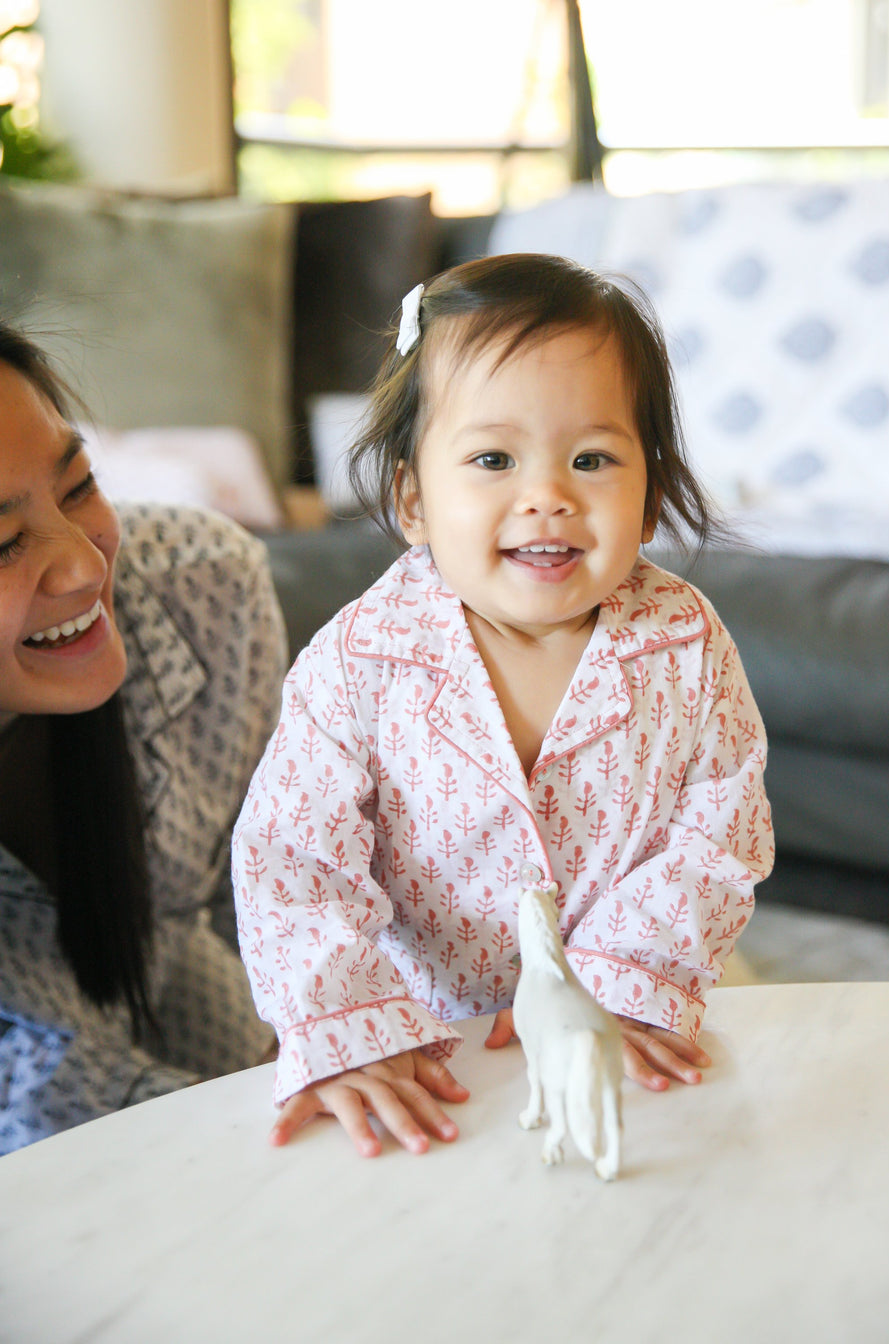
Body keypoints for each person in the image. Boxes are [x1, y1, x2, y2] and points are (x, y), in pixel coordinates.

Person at [233, 253, 774, 1158]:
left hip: (636, 997)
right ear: (412, 496)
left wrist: (626, 975)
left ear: (649, 495)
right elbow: (294, 857)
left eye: (592, 459)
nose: (548, 497)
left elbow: (721, 824)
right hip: (435, 1038)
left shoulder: (682, 641)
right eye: (493, 458)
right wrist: (349, 1027)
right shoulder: (360, 660)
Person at [0, 322, 286, 1154]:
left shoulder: (204, 588)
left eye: (80, 485)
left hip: (191, 1004)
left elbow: (273, 876)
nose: (85, 567)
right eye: (3, 543)